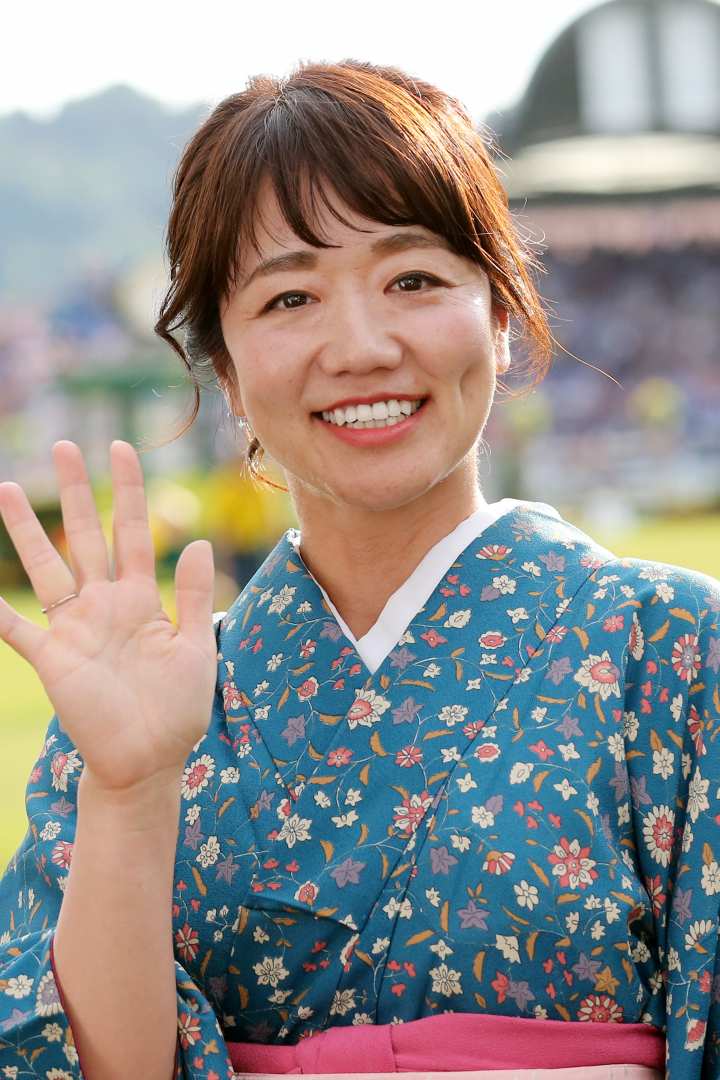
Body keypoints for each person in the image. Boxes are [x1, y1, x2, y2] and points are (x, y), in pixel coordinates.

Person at [0, 59, 718, 1080]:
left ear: (501, 314)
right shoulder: (142, 712)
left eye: (413, 280)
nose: (363, 345)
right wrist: (128, 789)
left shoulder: (679, 655)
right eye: (290, 298)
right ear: (230, 373)